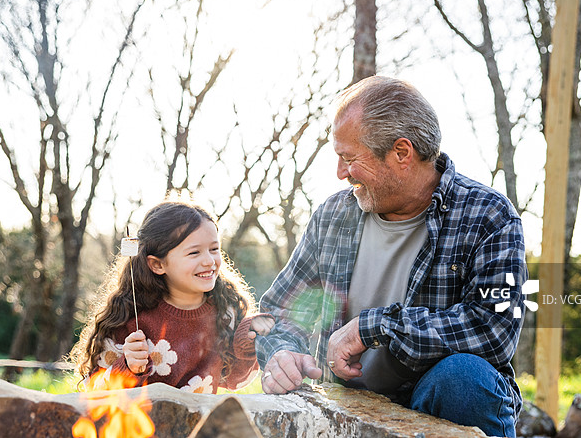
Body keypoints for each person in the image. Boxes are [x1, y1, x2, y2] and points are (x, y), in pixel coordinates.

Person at [256, 76, 527, 437]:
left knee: (465, 379)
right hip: (339, 405)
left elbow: (494, 329)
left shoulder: (490, 215)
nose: (340, 173)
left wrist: (375, 327)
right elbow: (278, 312)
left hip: (431, 403)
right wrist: (282, 354)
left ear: (402, 152)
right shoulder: (333, 215)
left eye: (349, 158)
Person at [73, 200, 274, 393]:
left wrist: (247, 340)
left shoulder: (225, 313)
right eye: (194, 253)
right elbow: (95, 391)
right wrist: (128, 366)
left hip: (198, 427)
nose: (209, 261)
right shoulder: (130, 317)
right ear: (158, 265)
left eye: (214, 249)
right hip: (141, 427)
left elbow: (235, 381)